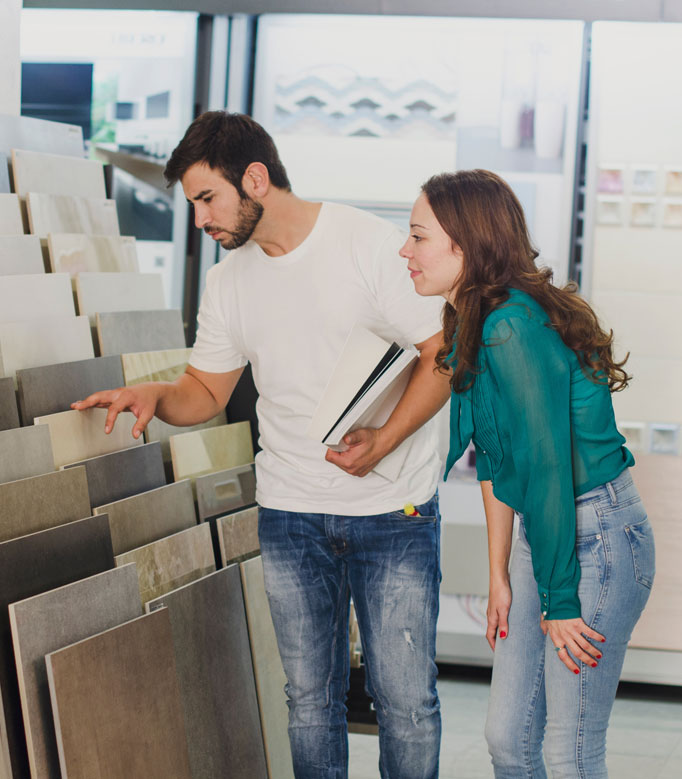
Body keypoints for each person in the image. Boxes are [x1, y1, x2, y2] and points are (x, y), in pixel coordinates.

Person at [73, 111, 451, 779]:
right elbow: (206, 391)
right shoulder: (228, 281)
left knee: (405, 703)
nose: (199, 220)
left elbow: (443, 352)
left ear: (256, 179)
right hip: (289, 513)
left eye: (206, 199)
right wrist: (156, 396)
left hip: (395, 513)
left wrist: (385, 440)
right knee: (309, 701)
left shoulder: (368, 245)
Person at [401, 168, 655, 778]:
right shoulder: (472, 319)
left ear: (466, 243)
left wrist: (560, 599)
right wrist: (498, 572)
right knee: (509, 741)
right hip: (546, 535)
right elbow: (495, 455)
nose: (405, 251)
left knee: (566, 751)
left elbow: (544, 467)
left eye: (418, 236)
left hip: (595, 538)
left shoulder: (509, 326)